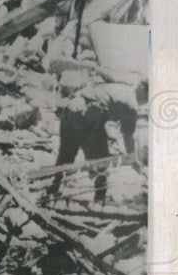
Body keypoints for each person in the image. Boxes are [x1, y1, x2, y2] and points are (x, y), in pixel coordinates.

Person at [49, 69, 147, 202]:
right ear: (143, 90)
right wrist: (133, 159)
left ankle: (53, 187)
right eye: (147, 97)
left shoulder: (121, 88)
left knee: (66, 155)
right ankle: (99, 199)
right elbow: (128, 136)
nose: (145, 102)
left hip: (70, 109)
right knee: (102, 160)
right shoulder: (131, 103)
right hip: (86, 113)